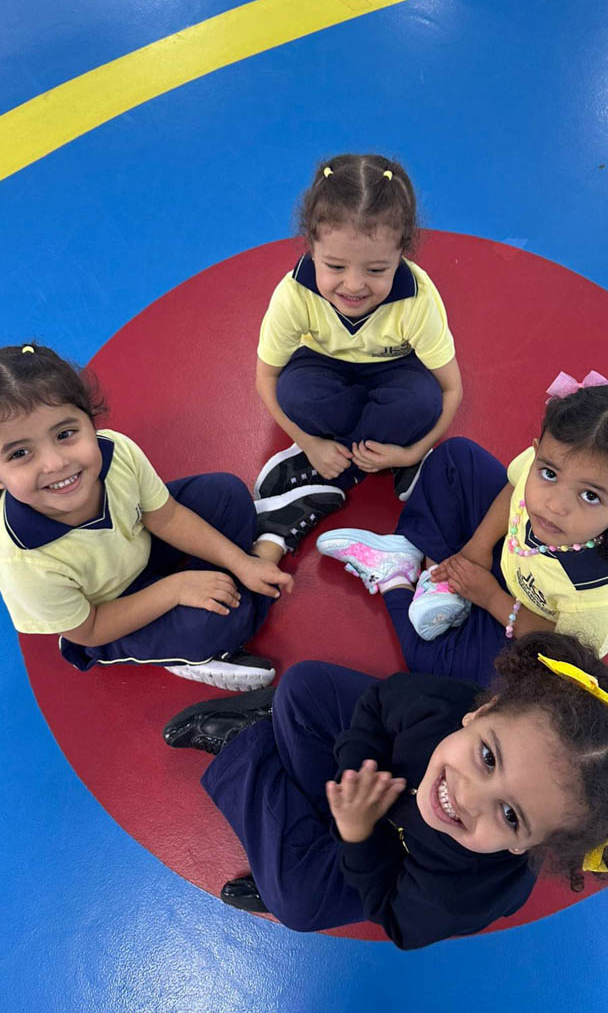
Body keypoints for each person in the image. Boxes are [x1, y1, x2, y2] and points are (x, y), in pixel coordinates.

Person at [163, 632, 608, 949]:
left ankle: (248, 746)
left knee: (297, 903)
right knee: (302, 686)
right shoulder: (443, 709)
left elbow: (394, 915)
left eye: (510, 816)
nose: (469, 798)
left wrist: (358, 836)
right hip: (372, 782)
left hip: (381, 854)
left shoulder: (462, 894)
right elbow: (379, 704)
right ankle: (291, 825)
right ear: (481, 713)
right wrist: (355, 775)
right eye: (488, 758)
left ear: (528, 847)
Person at [0, 344, 292, 689]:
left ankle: (234, 581)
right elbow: (89, 628)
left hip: (144, 548)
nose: (55, 463)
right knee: (220, 622)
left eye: (65, 434)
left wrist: (240, 563)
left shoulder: (117, 452)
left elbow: (166, 518)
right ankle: (156, 647)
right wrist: (176, 589)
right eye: (20, 453)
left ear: (90, 422)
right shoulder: (23, 564)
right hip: (109, 613)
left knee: (225, 493)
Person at [317, 372, 608, 685]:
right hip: (506, 553)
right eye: (549, 474)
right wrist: (477, 548)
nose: (554, 505)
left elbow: (565, 650)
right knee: (457, 458)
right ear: (537, 453)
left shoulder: (597, 595)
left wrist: (491, 597)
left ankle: (395, 579)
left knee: (440, 666)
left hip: (525, 617)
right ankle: (432, 574)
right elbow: (515, 487)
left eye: (590, 496)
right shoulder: (551, 466)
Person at [251, 153, 462, 559]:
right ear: (311, 247)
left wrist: (412, 452)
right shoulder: (294, 294)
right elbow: (266, 378)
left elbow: (452, 389)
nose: (353, 285)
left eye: (376, 270)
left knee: (422, 403)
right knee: (296, 394)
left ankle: (327, 480)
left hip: (395, 369)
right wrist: (310, 443)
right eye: (335, 266)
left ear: (402, 254)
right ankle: (362, 463)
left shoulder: (417, 298)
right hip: (323, 366)